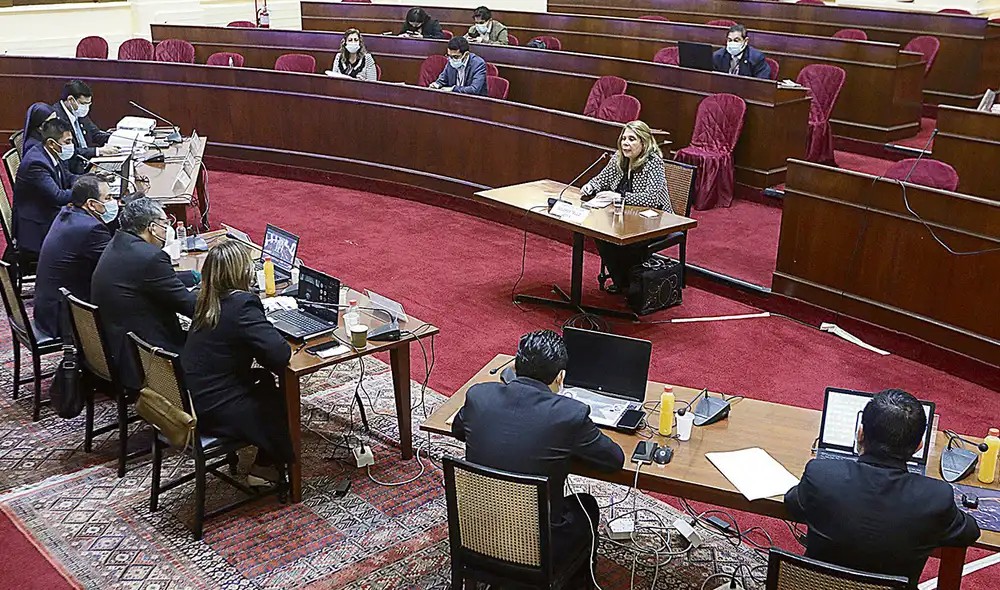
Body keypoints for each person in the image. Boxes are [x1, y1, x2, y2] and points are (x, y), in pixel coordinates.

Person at [453, 330, 624, 576]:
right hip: (535, 547)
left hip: (478, 531)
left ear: (514, 366)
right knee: (586, 504)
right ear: (560, 378)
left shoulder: (479, 395)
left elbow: (460, 430)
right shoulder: (569, 414)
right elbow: (614, 460)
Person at [784, 389, 980, 588]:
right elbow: (969, 532)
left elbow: (792, 502)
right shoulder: (935, 498)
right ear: (919, 446)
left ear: (860, 434)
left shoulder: (820, 474)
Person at [182, 240, 293, 485]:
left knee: (264, 381)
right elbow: (280, 354)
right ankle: (264, 468)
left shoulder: (206, 299)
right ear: (242, 272)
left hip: (193, 397)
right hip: (217, 408)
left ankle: (266, 460)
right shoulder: (242, 305)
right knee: (280, 401)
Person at [91, 198, 196, 391]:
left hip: (117, 346)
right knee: (218, 345)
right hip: (147, 357)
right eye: (165, 223)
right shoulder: (151, 257)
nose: (167, 229)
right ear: (152, 228)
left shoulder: (119, 242)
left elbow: (155, 282)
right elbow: (192, 307)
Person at [581, 120, 671, 293]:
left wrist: (619, 196)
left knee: (630, 241)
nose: (625, 143)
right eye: (623, 139)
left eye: (632, 139)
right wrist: (590, 186)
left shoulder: (654, 163)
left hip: (655, 220)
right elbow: (602, 179)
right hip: (624, 217)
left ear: (643, 143)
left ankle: (635, 285)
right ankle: (622, 281)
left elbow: (651, 199)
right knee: (601, 234)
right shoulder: (618, 158)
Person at [33, 174, 116, 340]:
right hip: (63, 316)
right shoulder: (91, 229)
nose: (114, 202)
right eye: (108, 197)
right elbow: (116, 265)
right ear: (91, 204)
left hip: (47, 308)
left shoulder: (69, 213)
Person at [12, 118, 79, 265]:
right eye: (67, 142)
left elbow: (68, 176)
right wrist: (85, 190)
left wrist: (88, 180)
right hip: (37, 227)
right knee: (85, 231)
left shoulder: (51, 152)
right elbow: (58, 196)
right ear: (51, 143)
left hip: (48, 212)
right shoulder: (36, 163)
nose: (71, 146)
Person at [52, 80, 119, 174]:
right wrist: (97, 151)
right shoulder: (56, 117)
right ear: (71, 100)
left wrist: (119, 139)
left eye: (88, 104)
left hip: (88, 165)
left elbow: (96, 135)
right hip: (73, 171)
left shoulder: (78, 113)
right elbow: (68, 151)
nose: (86, 107)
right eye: (83, 104)